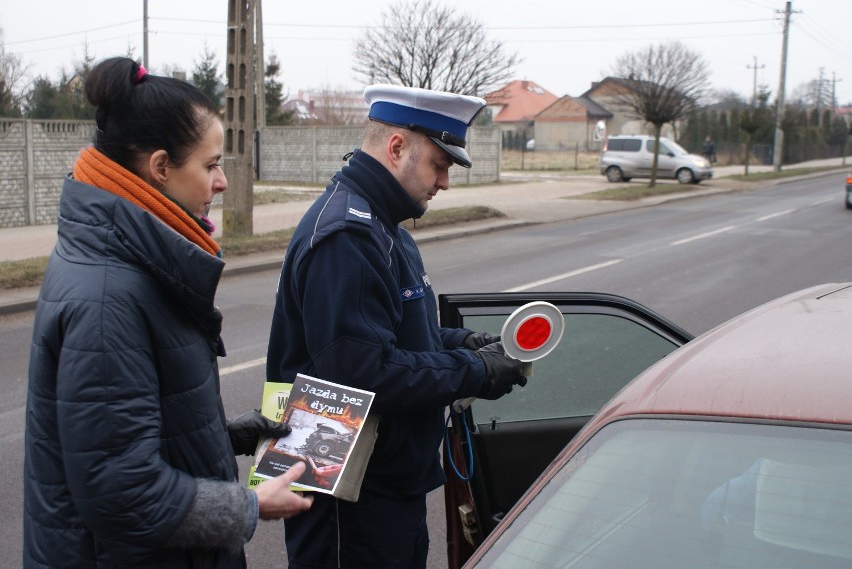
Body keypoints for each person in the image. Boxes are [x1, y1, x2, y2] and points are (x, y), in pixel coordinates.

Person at [23, 57, 313, 569]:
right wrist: (249, 505)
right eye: (211, 164)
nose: (222, 181)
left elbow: (122, 434)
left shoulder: (126, 259)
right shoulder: (109, 296)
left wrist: (225, 437)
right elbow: (123, 493)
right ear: (160, 168)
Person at [266, 84, 527, 568]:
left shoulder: (383, 225)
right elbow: (362, 373)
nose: (444, 182)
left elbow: (394, 335)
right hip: (349, 494)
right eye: (440, 165)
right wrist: (473, 371)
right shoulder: (348, 236)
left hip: (383, 482)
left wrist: (467, 343)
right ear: (397, 147)